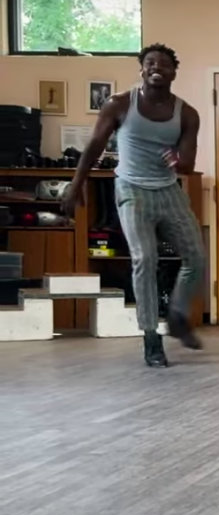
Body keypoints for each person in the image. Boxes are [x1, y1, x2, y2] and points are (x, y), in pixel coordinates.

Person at [61, 43, 205, 368]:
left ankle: (178, 316)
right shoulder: (120, 104)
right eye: (150, 62)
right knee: (145, 257)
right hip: (131, 189)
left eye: (164, 64)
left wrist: (178, 160)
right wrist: (76, 184)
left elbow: (188, 162)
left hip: (168, 191)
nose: (157, 67)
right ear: (141, 69)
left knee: (196, 256)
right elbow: (95, 145)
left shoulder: (188, 114)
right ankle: (151, 336)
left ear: (173, 72)